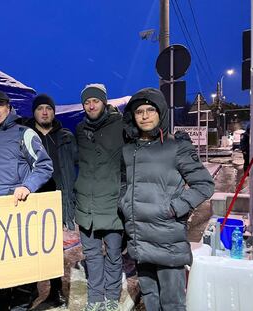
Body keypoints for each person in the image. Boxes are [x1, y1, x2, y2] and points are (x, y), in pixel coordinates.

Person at [120, 87, 215, 311]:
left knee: (172, 303)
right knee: (150, 297)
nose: (144, 116)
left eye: (150, 110)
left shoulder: (176, 147)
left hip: (167, 238)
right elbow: (125, 183)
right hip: (139, 239)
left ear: (160, 113)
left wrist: (174, 208)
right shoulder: (128, 150)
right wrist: (124, 203)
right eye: (139, 111)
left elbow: (204, 184)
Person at [0, 89, 54, 311]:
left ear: (8, 107)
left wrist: (27, 186)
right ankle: (0, 304)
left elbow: (44, 165)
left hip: (17, 212)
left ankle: (21, 303)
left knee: (20, 269)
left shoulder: (24, 133)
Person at [25, 94, 78, 308]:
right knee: (29, 246)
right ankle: (30, 290)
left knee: (53, 247)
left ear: (54, 112)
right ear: (34, 112)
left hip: (57, 198)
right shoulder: (25, 135)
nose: (45, 112)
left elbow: (78, 161)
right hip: (33, 197)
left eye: (48, 108)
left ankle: (56, 290)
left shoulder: (65, 135)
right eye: (40, 108)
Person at [75, 84, 124, 311]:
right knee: (92, 256)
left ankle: (112, 297)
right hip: (87, 206)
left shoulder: (121, 125)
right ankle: (95, 300)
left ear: (104, 102)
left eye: (95, 101)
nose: (91, 105)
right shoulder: (79, 130)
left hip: (113, 205)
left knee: (113, 255)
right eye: (87, 102)